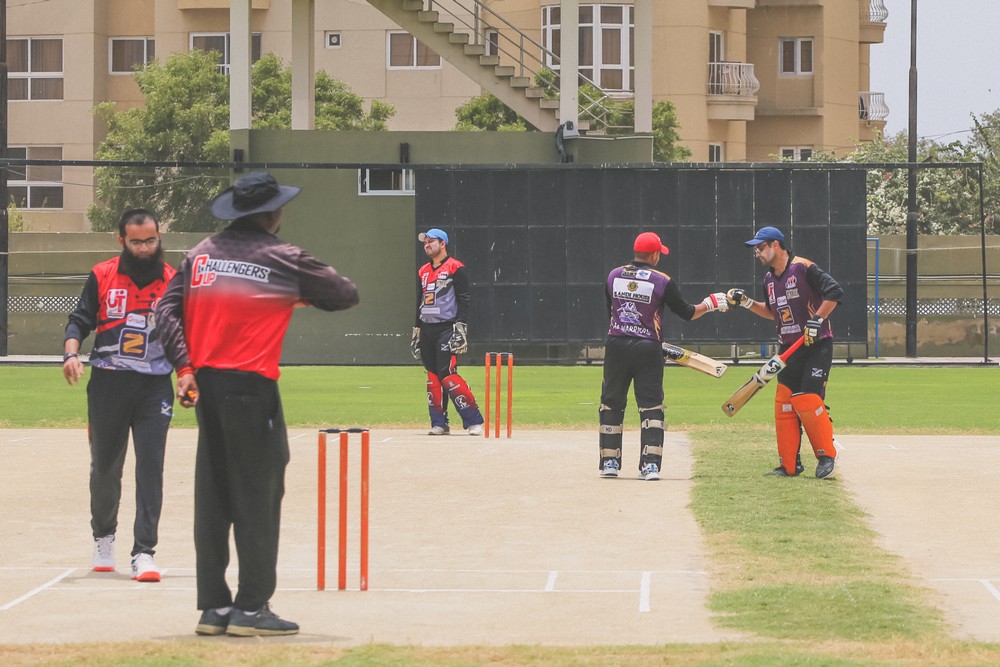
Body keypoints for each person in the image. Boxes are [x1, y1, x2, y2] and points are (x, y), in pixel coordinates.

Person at [156, 172, 359, 637]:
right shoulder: (282, 257)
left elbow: (164, 310)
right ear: (272, 213)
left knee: (214, 497)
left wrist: (183, 367)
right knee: (259, 496)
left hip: (204, 385)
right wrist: (295, 292)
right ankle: (251, 607)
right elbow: (344, 293)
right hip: (251, 388)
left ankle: (214, 608)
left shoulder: (201, 254)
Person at [62, 208, 174, 583]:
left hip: (155, 386)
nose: (144, 248)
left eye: (151, 240)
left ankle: (144, 552)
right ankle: (103, 537)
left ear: (159, 238)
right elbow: (80, 320)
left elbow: (183, 333)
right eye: (136, 241)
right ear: (121, 241)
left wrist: (190, 373)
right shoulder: (102, 275)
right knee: (105, 469)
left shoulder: (172, 281)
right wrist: (71, 353)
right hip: (109, 384)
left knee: (151, 467)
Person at [599, 231, 730, 480]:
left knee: (611, 402)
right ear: (655, 255)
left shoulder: (614, 275)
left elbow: (611, 313)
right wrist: (711, 303)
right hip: (648, 348)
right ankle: (650, 466)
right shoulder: (662, 280)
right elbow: (687, 312)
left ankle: (610, 463)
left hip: (616, 345)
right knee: (651, 405)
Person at [726, 226, 843, 479]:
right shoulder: (769, 279)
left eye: (761, 248)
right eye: (755, 249)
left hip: (816, 345)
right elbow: (772, 313)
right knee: (785, 403)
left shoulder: (803, 267)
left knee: (808, 399)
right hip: (788, 349)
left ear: (776, 245)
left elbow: (834, 292)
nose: (757, 253)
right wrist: (746, 302)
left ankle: (826, 456)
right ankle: (789, 465)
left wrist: (817, 320)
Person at [411, 228, 485, 436]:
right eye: (425, 242)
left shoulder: (455, 267)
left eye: (431, 241)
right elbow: (419, 301)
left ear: (442, 244)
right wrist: (416, 330)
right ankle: (439, 423)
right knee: (433, 376)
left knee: (447, 374)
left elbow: (464, 299)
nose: (427, 245)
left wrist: (461, 327)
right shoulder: (423, 271)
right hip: (427, 328)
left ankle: (473, 420)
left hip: (447, 327)